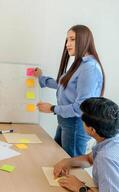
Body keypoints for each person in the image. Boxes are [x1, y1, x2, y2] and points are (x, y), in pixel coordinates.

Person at [53, 97, 119, 192]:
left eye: (82, 121)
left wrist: (80, 188)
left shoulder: (107, 158)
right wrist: (67, 162)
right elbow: (89, 159)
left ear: (92, 130)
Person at [34, 25, 105, 157]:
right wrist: (41, 78)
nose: (67, 44)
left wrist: (52, 109)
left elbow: (80, 108)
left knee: (70, 165)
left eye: (72, 39)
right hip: (66, 121)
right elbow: (64, 84)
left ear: (84, 40)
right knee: (59, 158)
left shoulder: (89, 68)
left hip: (75, 124)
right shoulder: (80, 64)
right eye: (67, 40)